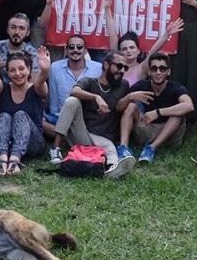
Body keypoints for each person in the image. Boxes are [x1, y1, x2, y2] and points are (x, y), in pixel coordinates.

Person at [48, 49, 137, 178]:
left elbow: (120, 107)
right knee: (72, 101)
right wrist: (96, 97)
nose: (122, 70)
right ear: (106, 65)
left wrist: (130, 97)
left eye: (125, 67)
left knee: (110, 147)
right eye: (119, 66)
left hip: (105, 138)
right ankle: (55, 148)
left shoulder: (123, 85)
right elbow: (74, 91)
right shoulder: (89, 82)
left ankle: (111, 169)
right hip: (83, 134)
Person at [116, 52, 194, 163]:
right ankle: (123, 148)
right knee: (131, 106)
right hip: (147, 130)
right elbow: (118, 108)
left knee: (178, 113)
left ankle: (151, 149)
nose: (158, 72)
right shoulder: (142, 85)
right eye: (154, 68)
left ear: (168, 72)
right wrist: (130, 96)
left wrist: (158, 112)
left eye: (162, 69)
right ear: (149, 71)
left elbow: (189, 106)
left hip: (169, 135)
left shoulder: (176, 88)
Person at [0, 48, 52, 176]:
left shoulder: (36, 89)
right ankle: (2, 161)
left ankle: (15, 161)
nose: (17, 73)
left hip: (31, 143)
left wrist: (44, 70)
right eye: (12, 70)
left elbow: (40, 82)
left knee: (20, 115)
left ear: (29, 69)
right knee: (4, 116)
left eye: (22, 69)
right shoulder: (2, 88)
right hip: (2, 144)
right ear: (7, 72)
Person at [44, 35, 102, 139]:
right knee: (39, 120)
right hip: (60, 117)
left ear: (85, 50)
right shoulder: (55, 67)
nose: (75, 50)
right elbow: (54, 97)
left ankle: (63, 135)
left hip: (87, 119)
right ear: (66, 50)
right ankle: (69, 134)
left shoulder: (98, 68)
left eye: (79, 47)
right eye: (71, 47)